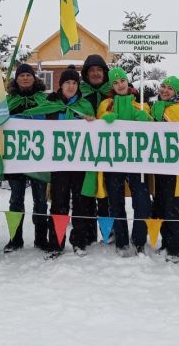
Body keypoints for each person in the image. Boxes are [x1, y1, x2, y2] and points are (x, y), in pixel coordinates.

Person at [23, 66, 96, 257]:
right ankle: (56, 243)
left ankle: (79, 242)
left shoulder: (85, 105)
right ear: (60, 85)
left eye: (74, 83)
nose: (71, 86)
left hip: (80, 163)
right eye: (67, 83)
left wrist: (93, 122)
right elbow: (31, 119)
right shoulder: (51, 104)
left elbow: (97, 131)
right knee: (58, 204)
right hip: (58, 164)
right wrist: (7, 120)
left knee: (81, 204)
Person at [98, 67, 152, 256]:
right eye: (115, 82)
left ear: (127, 82)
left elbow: (154, 131)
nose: (120, 85)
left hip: (137, 162)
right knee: (116, 201)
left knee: (142, 202)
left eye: (122, 81)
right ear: (111, 85)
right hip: (113, 161)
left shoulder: (140, 104)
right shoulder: (106, 104)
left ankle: (139, 240)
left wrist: (147, 119)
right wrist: (105, 118)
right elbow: (97, 124)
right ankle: (121, 241)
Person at [4, 63, 50, 253]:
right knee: (16, 199)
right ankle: (15, 238)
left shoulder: (44, 100)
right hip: (16, 158)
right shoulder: (8, 101)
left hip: (39, 157)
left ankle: (41, 238)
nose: (25, 78)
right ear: (16, 79)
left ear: (34, 78)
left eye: (28, 75)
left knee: (40, 200)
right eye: (21, 75)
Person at [150, 75, 179, 263]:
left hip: (174, 167)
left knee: (172, 206)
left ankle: (176, 247)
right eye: (163, 87)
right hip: (158, 165)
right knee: (160, 204)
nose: (165, 91)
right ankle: (166, 242)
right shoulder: (157, 106)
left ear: (176, 92)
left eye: (170, 88)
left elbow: (176, 131)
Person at [79, 54, 112, 244]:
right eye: (91, 71)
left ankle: (108, 233)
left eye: (99, 70)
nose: (96, 73)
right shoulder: (80, 93)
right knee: (86, 194)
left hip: (108, 152)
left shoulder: (113, 93)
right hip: (84, 152)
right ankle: (89, 233)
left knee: (106, 193)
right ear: (86, 74)